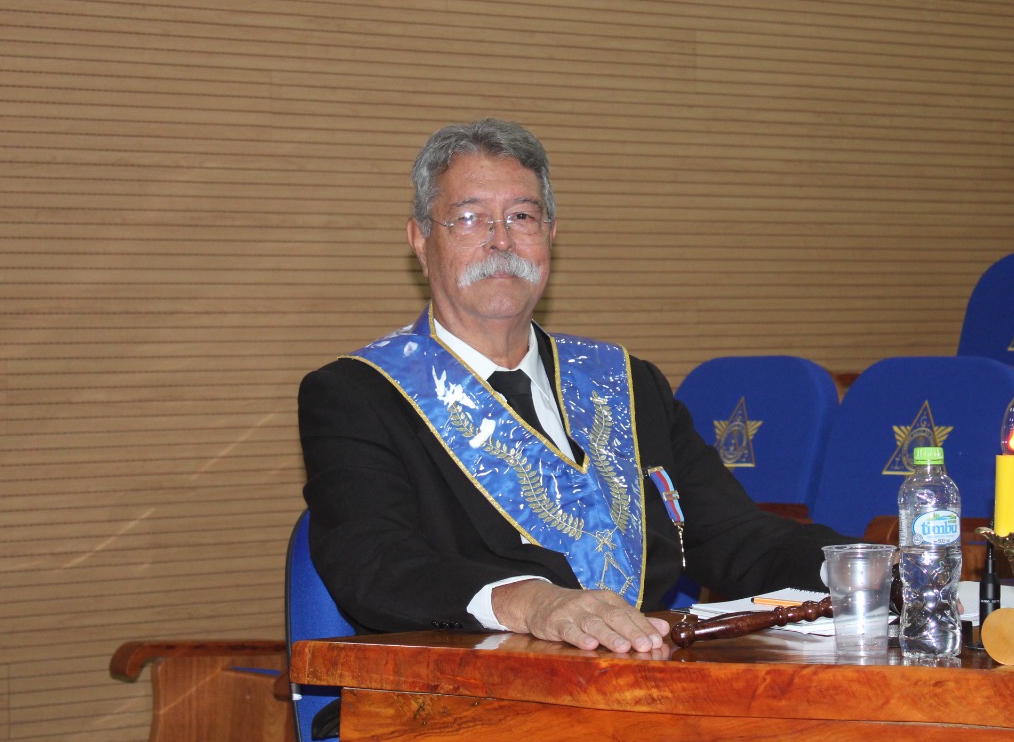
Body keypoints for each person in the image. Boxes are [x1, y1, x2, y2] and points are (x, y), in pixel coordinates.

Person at [299, 118, 855, 653]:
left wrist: (861, 567)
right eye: (469, 218)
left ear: (550, 235)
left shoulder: (628, 383)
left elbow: (732, 534)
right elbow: (373, 564)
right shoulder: (359, 395)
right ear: (421, 240)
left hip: (647, 680)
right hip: (462, 691)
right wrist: (530, 602)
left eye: (522, 216)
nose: (501, 240)